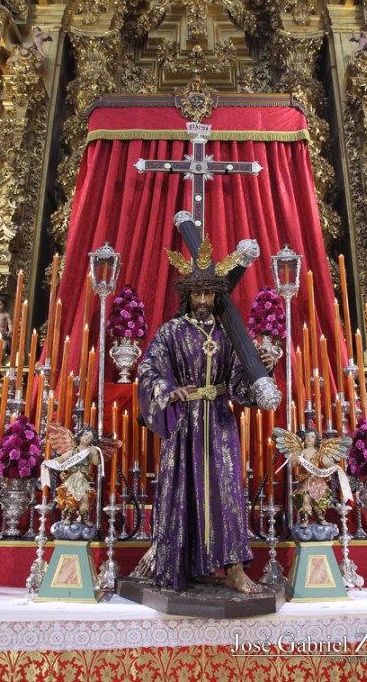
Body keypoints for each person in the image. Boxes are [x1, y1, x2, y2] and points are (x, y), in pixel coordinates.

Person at [136, 238, 275, 594]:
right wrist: (168, 390)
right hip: (185, 423)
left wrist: (262, 367)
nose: (202, 300)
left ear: (216, 296)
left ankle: (234, 570)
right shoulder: (171, 332)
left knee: (226, 491)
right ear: (187, 294)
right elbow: (148, 369)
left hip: (220, 421)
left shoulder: (229, 333)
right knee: (184, 491)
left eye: (208, 294)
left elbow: (240, 386)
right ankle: (182, 566)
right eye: (196, 293)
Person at [274, 427, 352, 528]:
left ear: (316, 440)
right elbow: (294, 464)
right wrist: (296, 460)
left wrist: (332, 466)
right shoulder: (303, 451)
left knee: (319, 501)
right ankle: (305, 519)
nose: (309, 438)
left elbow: (326, 462)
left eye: (312, 436)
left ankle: (321, 518)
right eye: (307, 436)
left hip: (318, 481)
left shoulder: (319, 453)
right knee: (306, 499)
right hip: (307, 481)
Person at [52, 428, 100, 526]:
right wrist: (53, 462)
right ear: (80, 436)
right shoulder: (73, 451)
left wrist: (95, 454)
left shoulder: (89, 452)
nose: (87, 438)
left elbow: (96, 462)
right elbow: (62, 458)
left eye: (91, 437)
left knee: (84, 498)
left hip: (82, 480)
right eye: (86, 435)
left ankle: (84, 518)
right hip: (72, 479)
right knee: (72, 497)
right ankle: (69, 517)